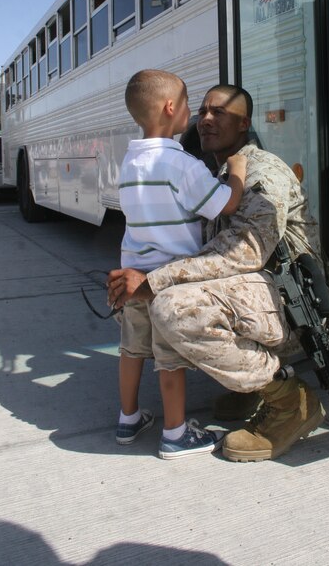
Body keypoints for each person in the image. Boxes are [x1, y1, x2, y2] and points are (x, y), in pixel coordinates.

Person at [107, 84, 328, 463]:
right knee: (138, 304)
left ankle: (292, 403)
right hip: (257, 298)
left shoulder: (260, 172)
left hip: (294, 306)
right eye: (203, 111)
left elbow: (245, 250)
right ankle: (250, 386)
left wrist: (152, 281)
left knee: (173, 308)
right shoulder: (218, 173)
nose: (205, 119)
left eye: (218, 113)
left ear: (243, 124)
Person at [114, 69, 247, 460]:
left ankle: (128, 418)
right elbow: (225, 204)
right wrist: (236, 173)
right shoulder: (180, 163)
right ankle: (174, 433)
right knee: (169, 358)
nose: (193, 115)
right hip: (167, 281)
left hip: (132, 276)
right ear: (171, 108)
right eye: (190, 104)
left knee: (131, 350)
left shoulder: (129, 162)